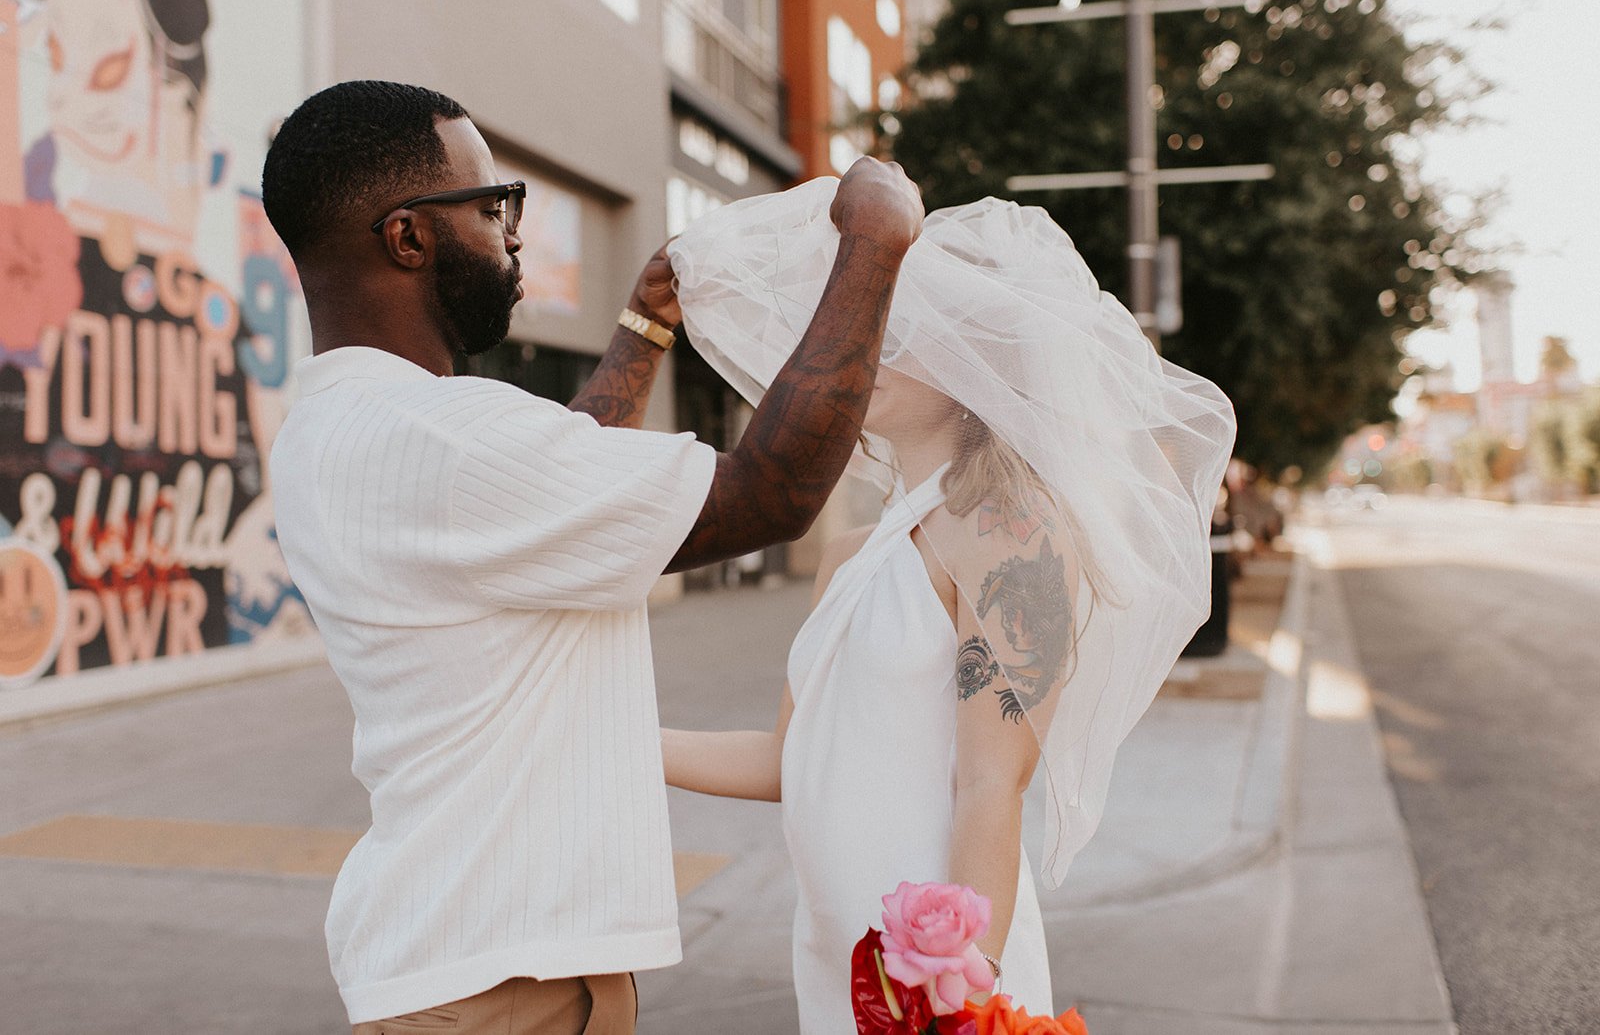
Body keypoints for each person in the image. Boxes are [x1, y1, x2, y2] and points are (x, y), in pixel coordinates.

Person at [260, 80, 923, 1034]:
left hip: (471, 965)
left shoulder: (336, 426)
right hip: (499, 989)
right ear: (407, 237)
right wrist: (875, 241)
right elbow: (772, 492)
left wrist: (644, 329)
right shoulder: (450, 441)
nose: (514, 233)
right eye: (494, 206)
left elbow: (557, 492)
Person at [657, 181, 1236, 1032]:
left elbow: (992, 784)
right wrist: (623, 737)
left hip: (936, 978)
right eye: (869, 326)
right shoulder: (852, 551)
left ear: (979, 359)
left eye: (904, 332)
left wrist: (964, 996)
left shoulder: (1014, 534)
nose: (870, 348)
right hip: (840, 955)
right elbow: (791, 760)